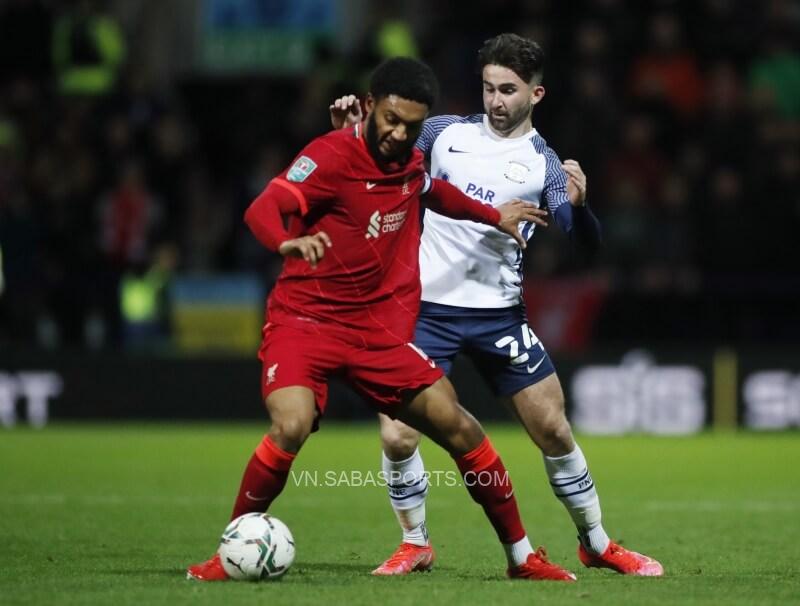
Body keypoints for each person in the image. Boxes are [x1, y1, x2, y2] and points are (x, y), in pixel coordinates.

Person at [187, 56, 577, 582]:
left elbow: (435, 192)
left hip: (376, 335)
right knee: (291, 424)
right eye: (391, 119)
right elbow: (264, 206)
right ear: (369, 106)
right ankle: (228, 550)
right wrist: (286, 241)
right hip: (306, 322)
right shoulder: (328, 155)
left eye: (412, 125)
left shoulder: (408, 163)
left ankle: (522, 557)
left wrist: (493, 215)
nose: (398, 133)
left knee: (460, 427)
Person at [329, 34, 663, 577]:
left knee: (554, 431)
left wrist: (580, 207)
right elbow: (378, 160)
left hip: (499, 318)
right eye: (488, 88)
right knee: (396, 432)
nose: (495, 101)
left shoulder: (543, 163)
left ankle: (596, 543)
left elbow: (583, 243)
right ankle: (415, 542)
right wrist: (352, 132)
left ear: (536, 93)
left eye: (508, 90)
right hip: (426, 312)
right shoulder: (441, 133)